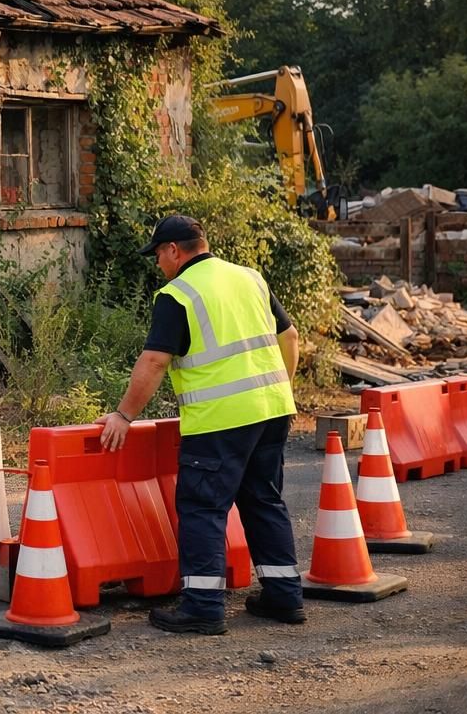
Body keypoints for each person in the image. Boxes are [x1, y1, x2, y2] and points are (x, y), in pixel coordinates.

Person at [97, 214, 304, 635]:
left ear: (174, 250)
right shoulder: (251, 278)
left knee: (203, 508)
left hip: (219, 421)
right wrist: (280, 390)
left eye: (158, 254)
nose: (159, 264)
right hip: (273, 410)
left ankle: (203, 607)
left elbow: (155, 360)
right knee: (263, 499)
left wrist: (123, 415)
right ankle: (285, 597)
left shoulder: (178, 294)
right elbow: (291, 338)